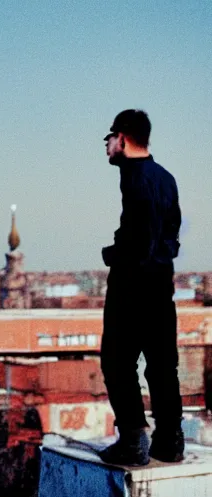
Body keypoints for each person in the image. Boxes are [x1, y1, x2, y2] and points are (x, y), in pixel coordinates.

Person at [98, 109, 184, 466]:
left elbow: (142, 238)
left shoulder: (137, 179)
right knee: (162, 365)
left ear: (123, 138)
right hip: (161, 283)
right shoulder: (164, 177)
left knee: (117, 362)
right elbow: (170, 235)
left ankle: (133, 441)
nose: (106, 146)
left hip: (135, 284)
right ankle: (170, 441)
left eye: (109, 138)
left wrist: (115, 254)